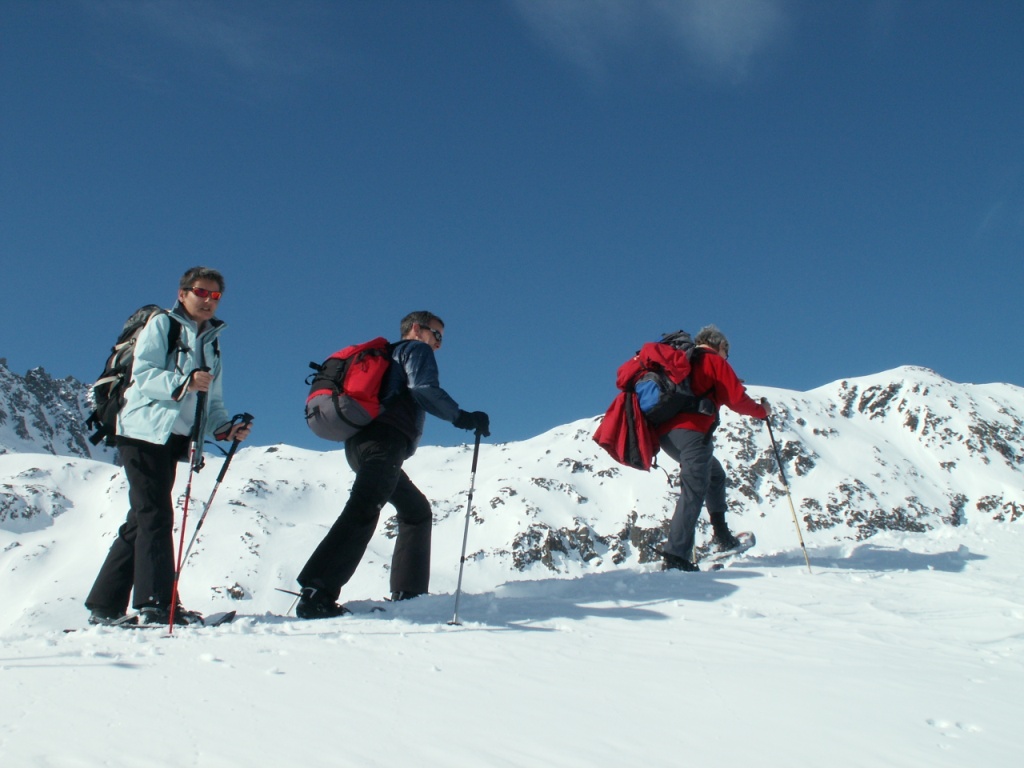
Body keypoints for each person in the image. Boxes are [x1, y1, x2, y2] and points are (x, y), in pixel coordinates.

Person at [84, 267, 252, 625]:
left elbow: (212, 400)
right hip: (141, 430)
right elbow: (143, 375)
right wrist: (185, 381)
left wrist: (225, 429)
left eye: (215, 296)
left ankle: (104, 606)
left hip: (172, 437)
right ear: (182, 293)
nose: (208, 300)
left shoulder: (212, 342)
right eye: (200, 292)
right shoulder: (163, 324)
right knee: (155, 515)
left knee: (142, 518)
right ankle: (156, 603)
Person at [295, 310, 490, 619]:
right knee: (364, 508)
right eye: (436, 334)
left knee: (416, 511)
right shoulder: (415, 349)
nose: (439, 343)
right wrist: (462, 417)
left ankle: (409, 595)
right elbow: (423, 388)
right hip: (384, 442)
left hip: (361, 444)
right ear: (417, 329)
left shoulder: (388, 355)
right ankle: (317, 592)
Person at [657, 325, 769, 572]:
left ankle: (721, 534)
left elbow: (701, 388)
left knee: (715, 475)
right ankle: (676, 557)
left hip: (667, 436)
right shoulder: (713, 360)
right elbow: (737, 400)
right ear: (721, 346)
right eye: (727, 352)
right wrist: (763, 411)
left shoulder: (688, 361)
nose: (727, 357)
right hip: (693, 434)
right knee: (694, 489)